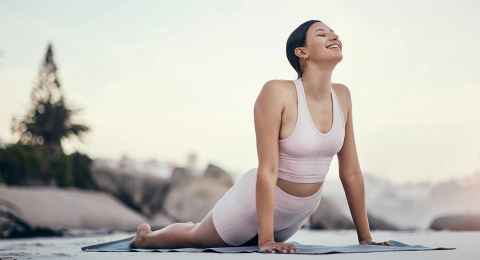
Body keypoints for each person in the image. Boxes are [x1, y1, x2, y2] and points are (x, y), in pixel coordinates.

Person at [129, 19, 392, 253]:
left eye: (334, 33)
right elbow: (267, 170)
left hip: (298, 212)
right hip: (253, 205)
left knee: (239, 242)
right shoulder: (277, 92)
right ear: (302, 52)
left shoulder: (343, 95)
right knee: (196, 236)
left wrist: (365, 238)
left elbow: (351, 172)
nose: (334, 36)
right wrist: (265, 240)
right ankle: (147, 239)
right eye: (322, 34)